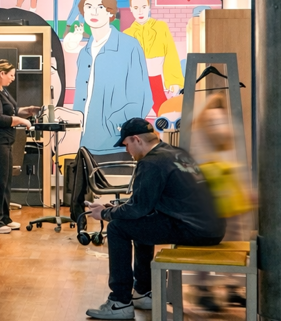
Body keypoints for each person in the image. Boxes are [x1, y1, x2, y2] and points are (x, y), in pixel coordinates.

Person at [84, 118, 225, 320]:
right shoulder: (175, 153)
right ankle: (143, 292)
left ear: (136, 140)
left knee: (117, 228)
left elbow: (137, 209)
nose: (127, 151)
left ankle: (120, 302)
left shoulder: (151, 162)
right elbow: (144, 205)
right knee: (141, 223)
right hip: (212, 227)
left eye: (126, 145)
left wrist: (105, 214)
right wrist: (114, 207)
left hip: (194, 229)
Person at [191, 95, 254, 312]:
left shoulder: (197, 124)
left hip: (209, 185)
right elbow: (225, 142)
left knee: (208, 241)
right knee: (233, 237)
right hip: (225, 184)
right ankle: (231, 287)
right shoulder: (219, 117)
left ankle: (205, 290)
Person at [72, 0, 152, 155]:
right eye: (89, 7)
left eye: (100, 7)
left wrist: (116, 126)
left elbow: (142, 98)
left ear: (110, 12)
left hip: (116, 144)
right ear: (83, 12)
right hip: (83, 145)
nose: (93, 12)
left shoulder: (129, 46)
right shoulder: (84, 53)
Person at [0, 59, 39, 233]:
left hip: (4, 141)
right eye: (11, 75)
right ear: (1, 74)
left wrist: (28, 111)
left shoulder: (1, 91)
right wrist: (20, 120)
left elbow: (11, 110)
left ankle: (3, 218)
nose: (13, 78)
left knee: (4, 180)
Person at [121, 0, 183, 114]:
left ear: (148, 7)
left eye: (143, 7)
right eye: (136, 7)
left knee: (162, 111)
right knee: (134, 112)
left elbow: (170, 54)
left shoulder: (161, 27)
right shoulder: (127, 34)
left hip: (156, 77)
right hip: (136, 80)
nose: (140, 11)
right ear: (131, 9)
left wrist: (174, 80)